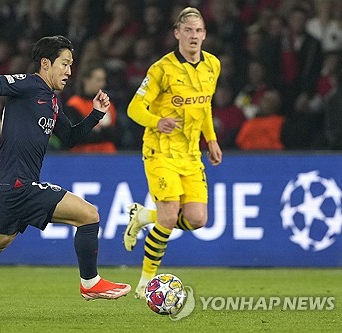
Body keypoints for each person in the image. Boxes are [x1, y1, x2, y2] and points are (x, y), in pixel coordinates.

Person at [0, 35, 130, 315]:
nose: (69, 71)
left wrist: (95, 115)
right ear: (46, 63)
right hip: (19, 184)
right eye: (64, 64)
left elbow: (68, 137)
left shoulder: (52, 102)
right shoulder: (29, 85)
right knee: (89, 215)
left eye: (71, 65)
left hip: (9, 184)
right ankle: (90, 283)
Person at [123, 7, 222, 299]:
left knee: (197, 219)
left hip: (191, 154)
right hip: (160, 151)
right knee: (167, 219)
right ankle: (145, 283)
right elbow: (134, 108)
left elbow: (204, 106)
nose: (194, 36)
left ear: (205, 34)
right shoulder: (161, 69)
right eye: (188, 30)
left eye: (199, 31)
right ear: (177, 34)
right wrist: (157, 121)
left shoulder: (213, 65)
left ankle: (143, 217)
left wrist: (211, 139)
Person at [64, 63, 118, 153]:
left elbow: (116, 134)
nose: (103, 84)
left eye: (103, 80)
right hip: (82, 157)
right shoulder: (74, 104)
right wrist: (103, 132)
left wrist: (95, 130)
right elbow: (76, 136)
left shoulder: (108, 105)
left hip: (108, 157)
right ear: (86, 80)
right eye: (98, 80)